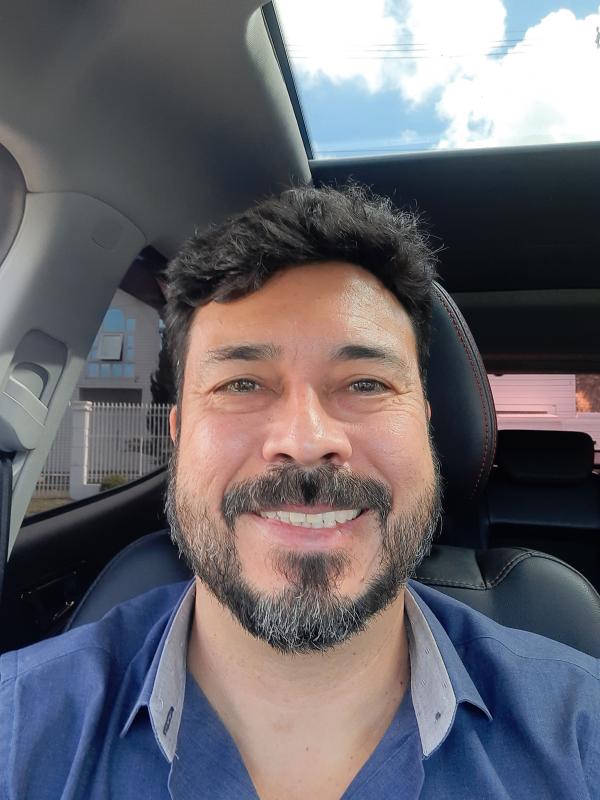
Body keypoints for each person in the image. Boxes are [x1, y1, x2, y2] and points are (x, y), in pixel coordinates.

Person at [1, 185, 598, 799]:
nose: (306, 440)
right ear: (178, 437)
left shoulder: (582, 734)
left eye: (366, 383)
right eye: (241, 384)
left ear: (425, 426)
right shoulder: (17, 729)